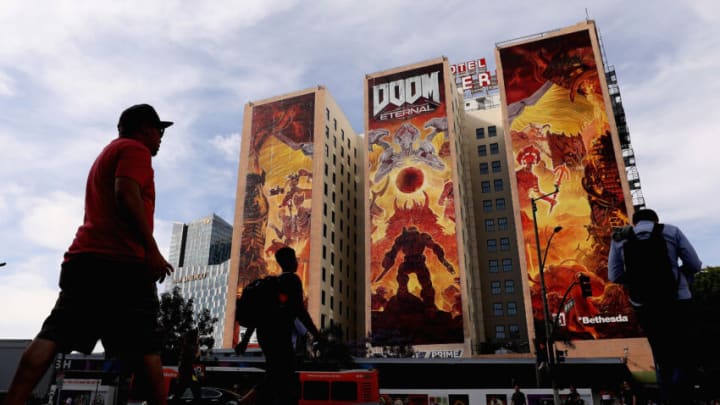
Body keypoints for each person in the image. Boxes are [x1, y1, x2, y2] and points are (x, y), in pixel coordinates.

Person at [3, 104, 175, 405]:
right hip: (124, 266)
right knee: (147, 347)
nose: (160, 138)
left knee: (53, 334)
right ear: (145, 128)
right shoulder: (136, 151)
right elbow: (126, 193)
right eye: (159, 131)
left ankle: (14, 399)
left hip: (85, 261)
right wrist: (152, 250)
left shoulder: (107, 154)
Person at [609, 209, 702, 404]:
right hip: (677, 301)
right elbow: (694, 263)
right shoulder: (671, 231)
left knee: (661, 355)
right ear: (656, 220)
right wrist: (680, 275)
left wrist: (637, 282)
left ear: (634, 222)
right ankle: (685, 395)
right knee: (684, 351)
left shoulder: (620, 238)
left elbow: (614, 275)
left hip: (645, 305)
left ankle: (668, 397)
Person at [255, 246, 321, 404]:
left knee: (272, 378)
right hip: (282, 341)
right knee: (285, 381)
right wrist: (315, 333)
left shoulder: (274, 283)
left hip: (268, 339)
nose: (297, 262)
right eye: (295, 259)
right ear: (290, 262)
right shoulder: (292, 279)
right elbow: (300, 311)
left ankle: (247, 401)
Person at [172, 329, 202, 404]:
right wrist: (198, 345)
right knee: (195, 389)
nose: (198, 337)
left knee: (183, 389)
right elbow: (196, 356)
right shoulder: (191, 347)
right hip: (188, 371)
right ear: (194, 337)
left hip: (186, 372)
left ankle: (174, 401)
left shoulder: (187, 346)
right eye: (197, 336)